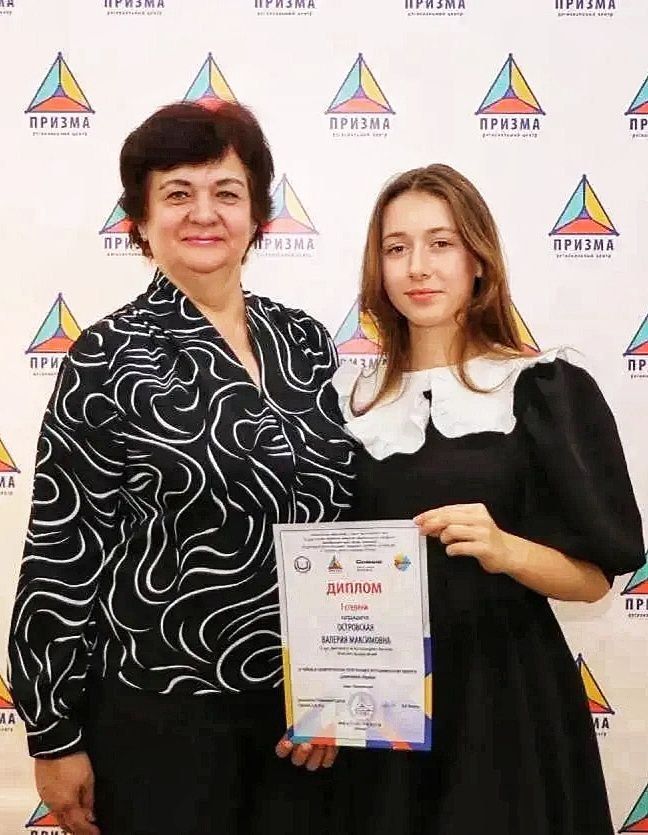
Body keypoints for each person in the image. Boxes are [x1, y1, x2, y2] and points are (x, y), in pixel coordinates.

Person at [8, 101, 355, 835]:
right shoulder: (106, 357)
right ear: (141, 218)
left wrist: (339, 690)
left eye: (227, 192)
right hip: (161, 717)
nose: (204, 213)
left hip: (303, 724)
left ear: (257, 215)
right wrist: (53, 734)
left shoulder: (304, 341)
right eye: (177, 192)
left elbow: (340, 525)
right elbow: (62, 553)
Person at [332, 164, 644, 835]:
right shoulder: (341, 403)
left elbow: (595, 580)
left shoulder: (543, 388)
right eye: (396, 247)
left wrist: (506, 549)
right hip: (380, 712)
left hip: (505, 701)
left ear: (478, 259)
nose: (418, 266)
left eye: (441, 243)